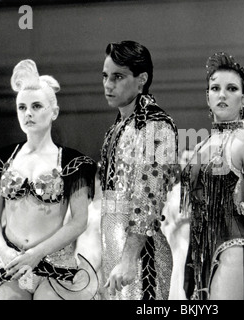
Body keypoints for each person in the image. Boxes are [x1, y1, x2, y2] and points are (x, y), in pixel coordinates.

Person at [0, 59, 98, 300]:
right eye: (22, 107)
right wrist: (2, 249)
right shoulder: (4, 159)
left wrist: (37, 253)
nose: (28, 114)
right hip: (10, 264)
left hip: (53, 265)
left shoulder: (71, 162)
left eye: (36, 106)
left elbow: (79, 221)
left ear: (54, 112)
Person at [180, 52, 244, 300]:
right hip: (199, 252)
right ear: (207, 96)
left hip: (235, 245)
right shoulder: (200, 147)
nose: (222, 94)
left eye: (231, 88)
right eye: (215, 88)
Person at [99, 40, 179, 300]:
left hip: (142, 258)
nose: (108, 84)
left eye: (118, 77)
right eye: (105, 76)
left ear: (141, 79)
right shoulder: (117, 126)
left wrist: (129, 258)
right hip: (115, 252)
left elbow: (148, 199)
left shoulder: (157, 126)